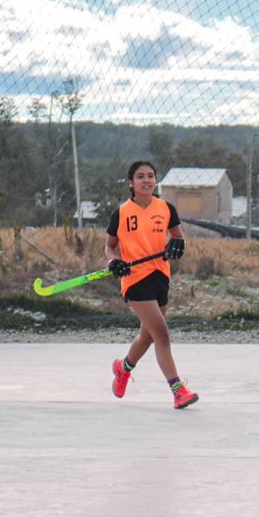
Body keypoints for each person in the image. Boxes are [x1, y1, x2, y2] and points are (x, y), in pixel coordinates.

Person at [106, 161, 198, 410]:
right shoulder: (122, 213)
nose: (146, 180)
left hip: (160, 275)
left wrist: (178, 244)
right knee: (162, 333)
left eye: (150, 176)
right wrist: (115, 262)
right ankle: (178, 391)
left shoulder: (166, 209)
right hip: (135, 279)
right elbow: (110, 246)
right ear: (130, 183)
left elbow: (178, 237)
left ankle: (123, 369)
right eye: (140, 176)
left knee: (147, 337)